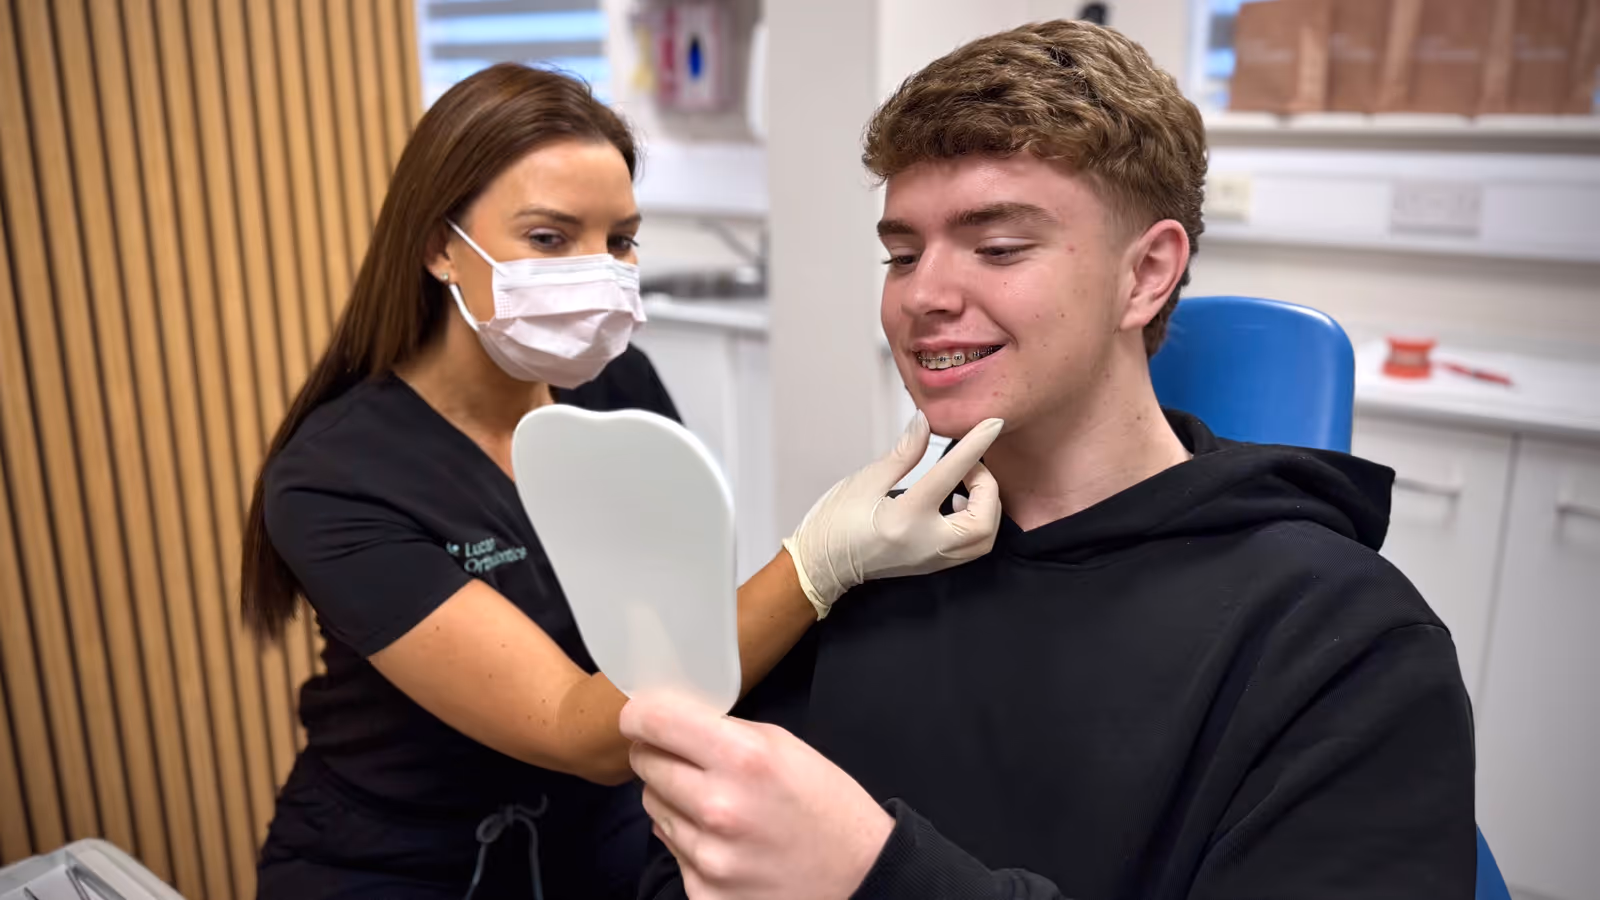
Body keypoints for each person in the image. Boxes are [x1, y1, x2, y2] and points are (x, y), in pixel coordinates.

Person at [625, 20, 1476, 900]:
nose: (923, 295)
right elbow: (685, 855)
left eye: (998, 248)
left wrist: (876, 876)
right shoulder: (881, 561)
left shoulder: (1335, 642)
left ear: (1145, 275)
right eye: (902, 253)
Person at [242, 64, 1003, 900]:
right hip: (401, 869)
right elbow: (581, 727)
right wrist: (821, 561)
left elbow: (685, 642)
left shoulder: (617, 388)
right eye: (548, 238)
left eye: (619, 240)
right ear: (439, 248)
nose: (597, 270)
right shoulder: (337, 479)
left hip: (608, 840)